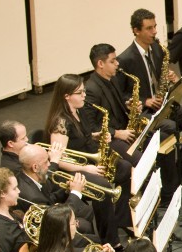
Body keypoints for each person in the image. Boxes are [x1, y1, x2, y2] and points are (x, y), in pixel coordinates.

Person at [83, 43, 182, 205]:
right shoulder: (91, 89)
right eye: (113, 61)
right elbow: (91, 127)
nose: (117, 64)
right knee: (141, 161)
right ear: (100, 64)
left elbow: (117, 104)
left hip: (125, 129)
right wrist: (117, 133)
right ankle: (142, 205)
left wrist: (129, 106)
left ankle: (169, 195)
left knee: (165, 140)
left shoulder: (112, 79)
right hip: (110, 139)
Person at [118, 8, 182, 181]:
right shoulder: (125, 59)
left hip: (163, 104)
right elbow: (120, 94)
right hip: (144, 112)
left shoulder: (157, 49)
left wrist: (172, 78)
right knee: (171, 127)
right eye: (149, 28)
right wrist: (146, 100)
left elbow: (159, 75)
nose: (155, 31)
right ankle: (168, 173)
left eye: (155, 27)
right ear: (136, 30)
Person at [44, 74, 131, 243]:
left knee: (125, 167)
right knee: (102, 186)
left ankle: (122, 219)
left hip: (88, 160)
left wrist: (98, 136)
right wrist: (86, 169)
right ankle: (110, 240)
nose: (84, 95)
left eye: (84, 91)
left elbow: (83, 136)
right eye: (80, 92)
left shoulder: (79, 110)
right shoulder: (60, 123)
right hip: (72, 169)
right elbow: (57, 158)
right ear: (66, 96)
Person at [16, 144, 98, 239]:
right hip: (52, 236)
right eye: (46, 161)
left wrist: (67, 190)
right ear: (35, 167)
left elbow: (49, 199)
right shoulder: (33, 197)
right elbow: (57, 221)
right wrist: (75, 193)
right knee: (89, 231)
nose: (50, 164)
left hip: (51, 216)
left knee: (88, 211)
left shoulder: (28, 177)